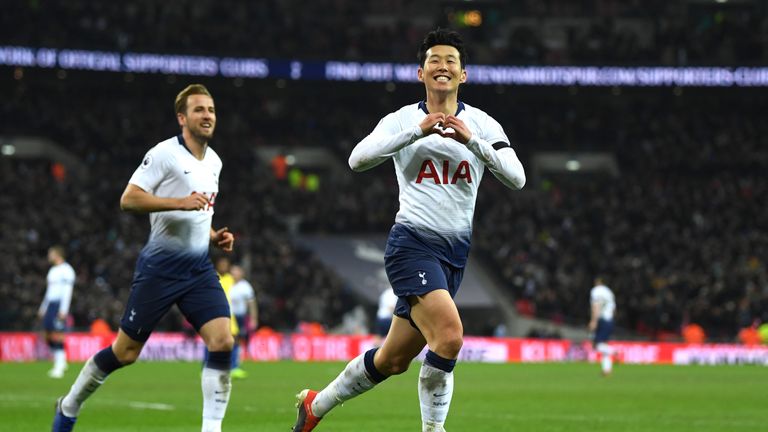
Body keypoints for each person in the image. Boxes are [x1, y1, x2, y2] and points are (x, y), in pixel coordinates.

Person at [292, 28, 526, 432]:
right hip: (412, 244)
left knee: (392, 360)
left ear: (463, 75)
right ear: (421, 73)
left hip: (454, 254)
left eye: (451, 61)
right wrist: (417, 131)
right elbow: (356, 160)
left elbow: (517, 178)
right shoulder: (401, 119)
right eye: (434, 60)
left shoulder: (483, 125)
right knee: (450, 337)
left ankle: (316, 404)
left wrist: (472, 142)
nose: (442, 66)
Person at [52, 84, 236, 432]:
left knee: (223, 340)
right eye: (199, 110)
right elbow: (129, 199)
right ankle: (70, 403)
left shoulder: (214, 162)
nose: (207, 116)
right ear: (182, 118)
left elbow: (200, 211)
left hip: (198, 269)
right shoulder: (164, 154)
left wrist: (213, 235)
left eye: (211, 110)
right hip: (160, 270)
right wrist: (179, 202)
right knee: (125, 353)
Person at [37, 245, 76, 379]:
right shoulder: (52, 271)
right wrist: (43, 307)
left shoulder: (67, 270)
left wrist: (63, 309)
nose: (49, 256)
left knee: (57, 334)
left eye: (50, 254)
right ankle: (61, 361)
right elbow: (49, 291)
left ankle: (59, 366)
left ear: (57, 255)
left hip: (59, 304)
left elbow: (67, 292)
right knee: (47, 334)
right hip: (51, 305)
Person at [228, 264, 258, 378]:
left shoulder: (245, 286)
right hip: (228, 316)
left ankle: (235, 365)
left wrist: (254, 318)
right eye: (233, 271)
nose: (235, 274)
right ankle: (230, 365)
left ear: (241, 273)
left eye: (237, 271)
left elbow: (252, 304)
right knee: (229, 340)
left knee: (237, 340)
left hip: (240, 317)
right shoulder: (227, 284)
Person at [588, 277, 616, 376]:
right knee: (603, 344)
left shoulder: (596, 291)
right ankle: (607, 370)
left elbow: (596, 305)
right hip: (610, 320)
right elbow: (613, 309)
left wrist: (594, 321)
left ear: (598, 282)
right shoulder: (609, 292)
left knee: (597, 345)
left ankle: (614, 351)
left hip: (602, 319)